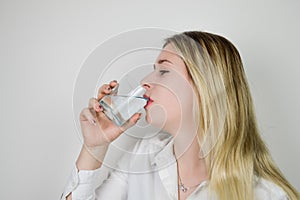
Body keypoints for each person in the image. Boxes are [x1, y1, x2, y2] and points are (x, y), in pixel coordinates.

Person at [61, 31, 299, 200]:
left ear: (207, 86)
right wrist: (95, 145)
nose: (145, 81)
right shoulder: (143, 156)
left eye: (164, 71)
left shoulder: (266, 195)